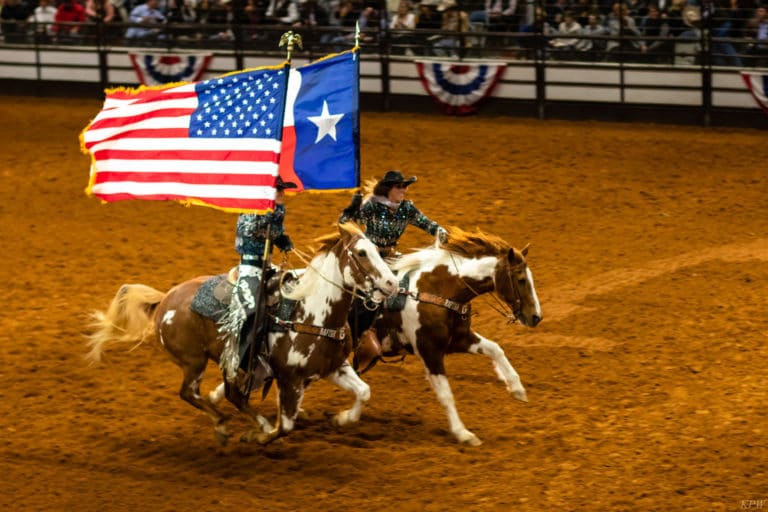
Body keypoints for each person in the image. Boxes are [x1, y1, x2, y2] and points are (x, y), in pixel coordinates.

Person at [338, 170, 447, 372]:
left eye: (405, 186)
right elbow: (343, 224)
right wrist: (351, 209)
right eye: (400, 187)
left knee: (409, 288)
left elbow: (427, 224)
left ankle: (397, 333)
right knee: (368, 299)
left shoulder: (407, 208)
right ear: (388, 189)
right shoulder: (371, 206)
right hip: (370, 261)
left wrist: (440, 232)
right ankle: (361, 337)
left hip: (391, 257)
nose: (404, 190)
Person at [229, 175, 297, 390]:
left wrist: (282, 240)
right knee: (253, 311)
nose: (281, 193)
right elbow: (247, 231)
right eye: (277, 190)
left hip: (267, 266)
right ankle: (240, 364)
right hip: (250, 267)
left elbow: (276, 233)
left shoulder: (277, 211)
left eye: (282, 190)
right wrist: (265, 222)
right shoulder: (253, 209)